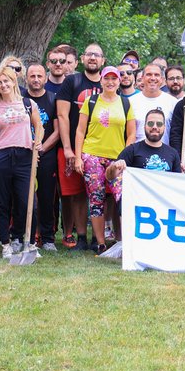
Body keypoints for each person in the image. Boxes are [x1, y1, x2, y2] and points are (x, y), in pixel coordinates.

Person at [75, 66, 137, 252]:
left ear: (119, 81)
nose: (110, 82)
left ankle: (123, 241)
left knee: (121, 197)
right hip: (92, 155)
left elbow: (132, 133)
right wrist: (78, 157)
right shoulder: (91, 101)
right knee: (96, 199)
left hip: (117, 157)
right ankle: (100, 243)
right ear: (101, 81)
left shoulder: (125, 103)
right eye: (107, 78)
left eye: (114, 79)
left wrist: (125, 157)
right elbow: (80, 130)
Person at [0, 63, 44, 258]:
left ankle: (28, 242)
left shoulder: (28, 104)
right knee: (1, 203)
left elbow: (39, 125)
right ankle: (5, 244)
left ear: (14, 82)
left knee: (27, 202)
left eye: (7, 81)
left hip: (25, 155)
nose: (3, 85)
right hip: (1, 156)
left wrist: (38, 141)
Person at [57, 43, 104, 248]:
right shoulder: (72, 81)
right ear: (82, 59)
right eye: (89, 54)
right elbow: (62, 116)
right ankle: (82, 238)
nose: (92, 58)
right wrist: (68, 148)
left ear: (103, 61)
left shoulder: (109, 82)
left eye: (97, 55)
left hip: (100, 149)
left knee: (100, 195)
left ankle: (98, 238)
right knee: (77, 194)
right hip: (76, 148)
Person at [25, 62, 60, 248]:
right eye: (32, 76)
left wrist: (42, 148)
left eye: (39, 76)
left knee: (47, 197)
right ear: (26, 79)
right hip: (23, 154)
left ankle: (47, 238)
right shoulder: (19, 99)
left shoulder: (53, 99)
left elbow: (57, 130)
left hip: (46, 155)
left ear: (45, 79)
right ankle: (25, 236)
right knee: (22, 197)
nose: (36, 79)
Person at [107, 108, 182, 180]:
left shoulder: (173, 154)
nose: (155, 127)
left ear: (164, 128)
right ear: (144, 126)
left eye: (159, 124)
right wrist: (114, 167)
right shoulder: (132, 150)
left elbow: (177, 182)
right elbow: (109, 176)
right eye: (150, 123)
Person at [130, 63, 179, 143]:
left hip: (165, 153)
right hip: (136, 153)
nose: (153, 78)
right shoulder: (130, 102)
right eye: (149, 74)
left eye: (156, 75)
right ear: (142, 78)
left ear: (162, 79)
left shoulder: (173, 103)